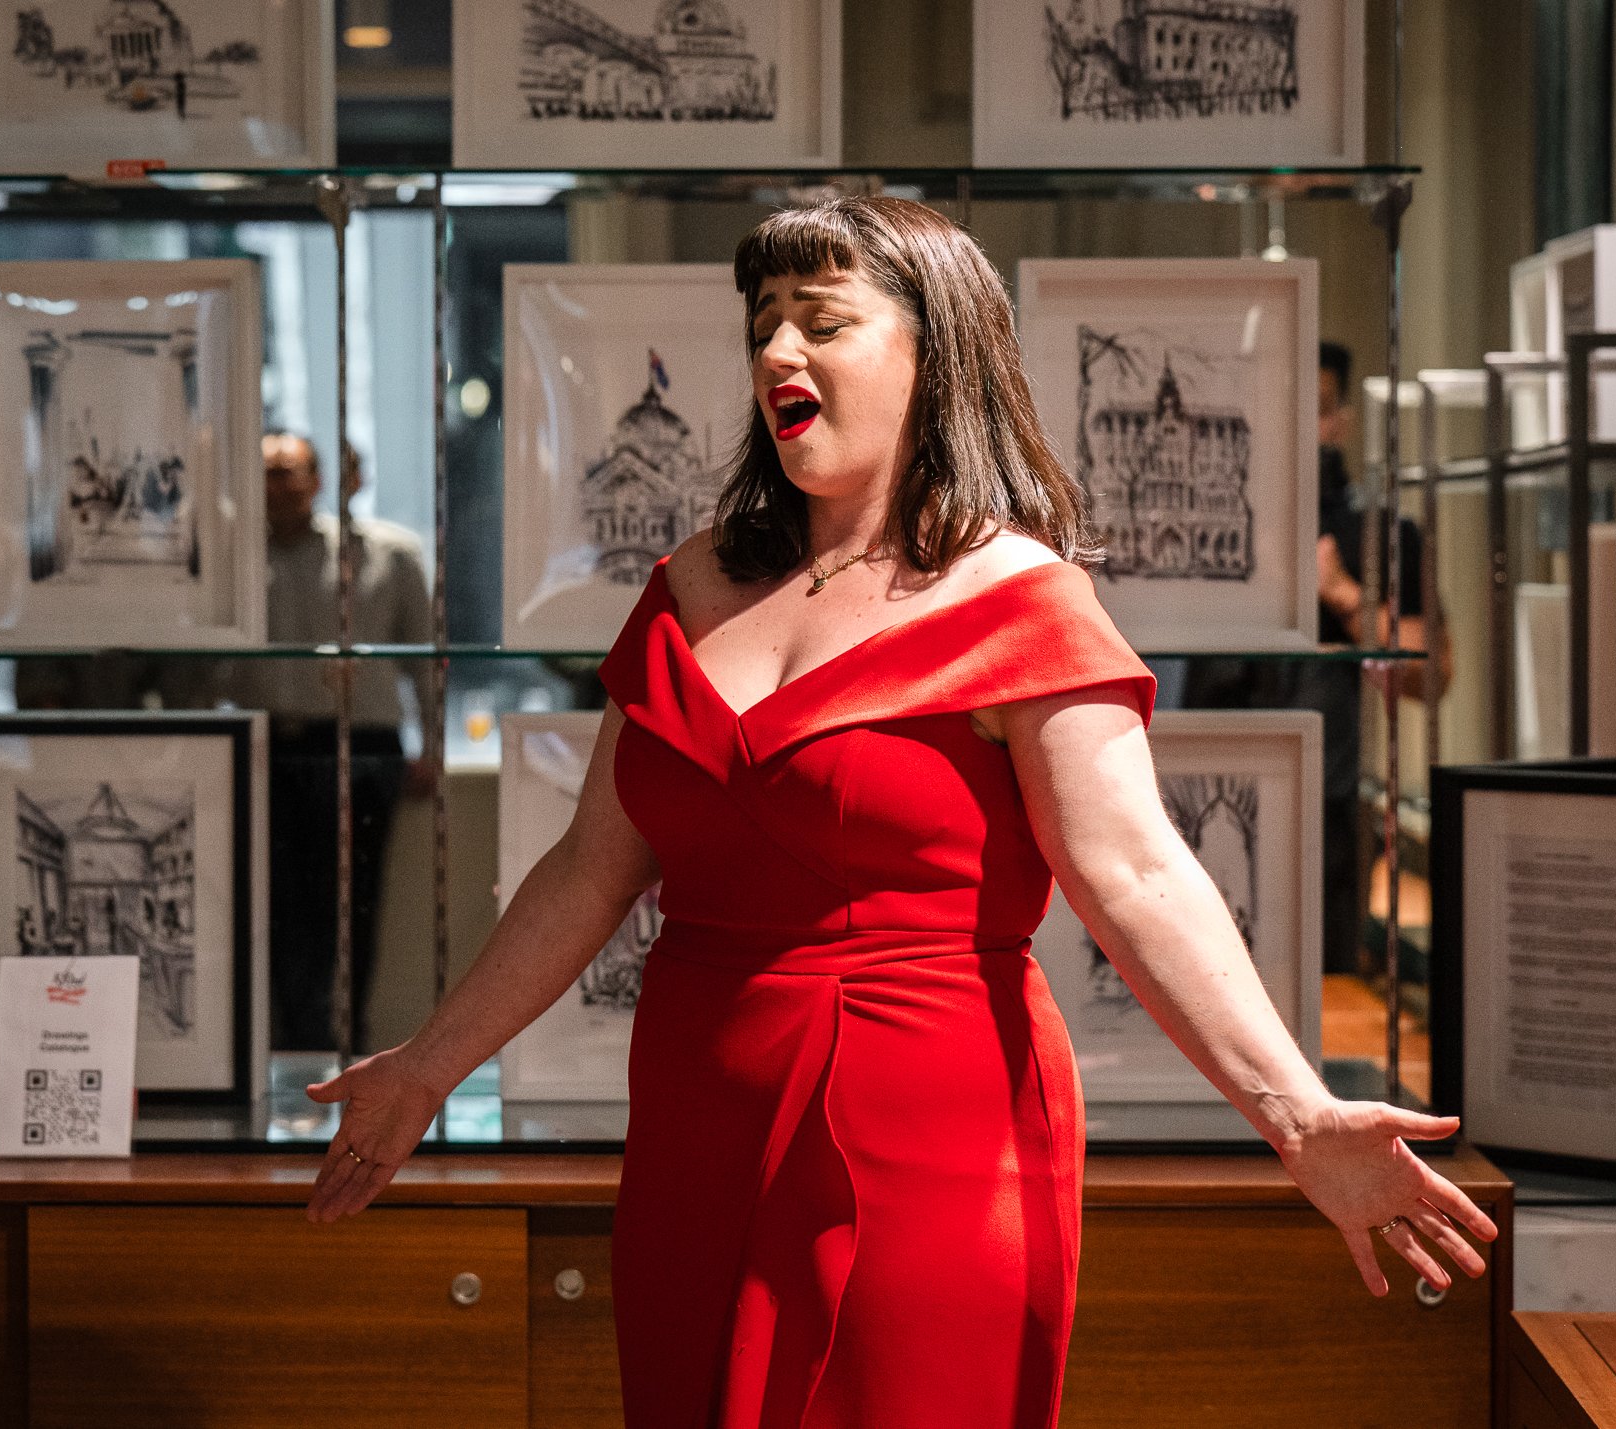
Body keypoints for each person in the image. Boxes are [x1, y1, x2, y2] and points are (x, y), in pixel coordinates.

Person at [302, 198, 1495, 1426]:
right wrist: (428, 1067)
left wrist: (1296, 1117)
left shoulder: (1017, 597)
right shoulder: (690, 585)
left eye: (820, 321)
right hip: (696, 1119)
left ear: (935, 356)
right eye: (763, 323)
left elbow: (1136, 874)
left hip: (929, 1127)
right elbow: (584, 874)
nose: (776, 353)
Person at [1182, 341, 1453, 977]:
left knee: (1323, 985)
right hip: (1199, 783)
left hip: (1328, 811)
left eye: (1319, 407)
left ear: (1341, 420)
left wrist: (1340, 593)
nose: (1301, 424)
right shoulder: (1212, 520)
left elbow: (1429, 674)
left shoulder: (1382, 532)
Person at [216, 433, 438, 1051]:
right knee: (277, 905)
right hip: (267, 750)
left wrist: (434, 747)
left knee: (353, 902)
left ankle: (347, 1040)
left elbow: (426, 663)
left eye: (289, 472)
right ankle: (293, 1045)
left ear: (317, 480)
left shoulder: (388, 555)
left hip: (361, 749)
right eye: (264, 473)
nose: (277, 486)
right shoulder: (229, 565)